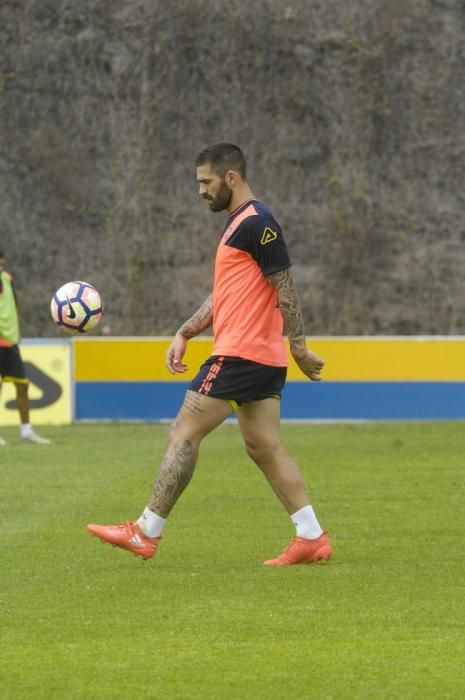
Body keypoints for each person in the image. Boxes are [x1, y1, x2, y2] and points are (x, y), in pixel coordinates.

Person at [87, 143, 332, 566]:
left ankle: (146, 531)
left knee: (184, 430)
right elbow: (226, 293)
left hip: (242, 354)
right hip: (260, 358)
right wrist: (187, 329)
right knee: (264, 446)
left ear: (231, 178)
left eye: (206, 182)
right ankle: (310, 536)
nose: (200, 190)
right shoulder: (238, 224)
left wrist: (300, 347)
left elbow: (285, 286)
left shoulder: (258, 222)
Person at [0, 251, 51, 445]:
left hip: (10, 341)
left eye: (2, 264)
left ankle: (26, 432)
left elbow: (12, 305)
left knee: (22, 385)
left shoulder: (7, 279)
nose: (0, 268)